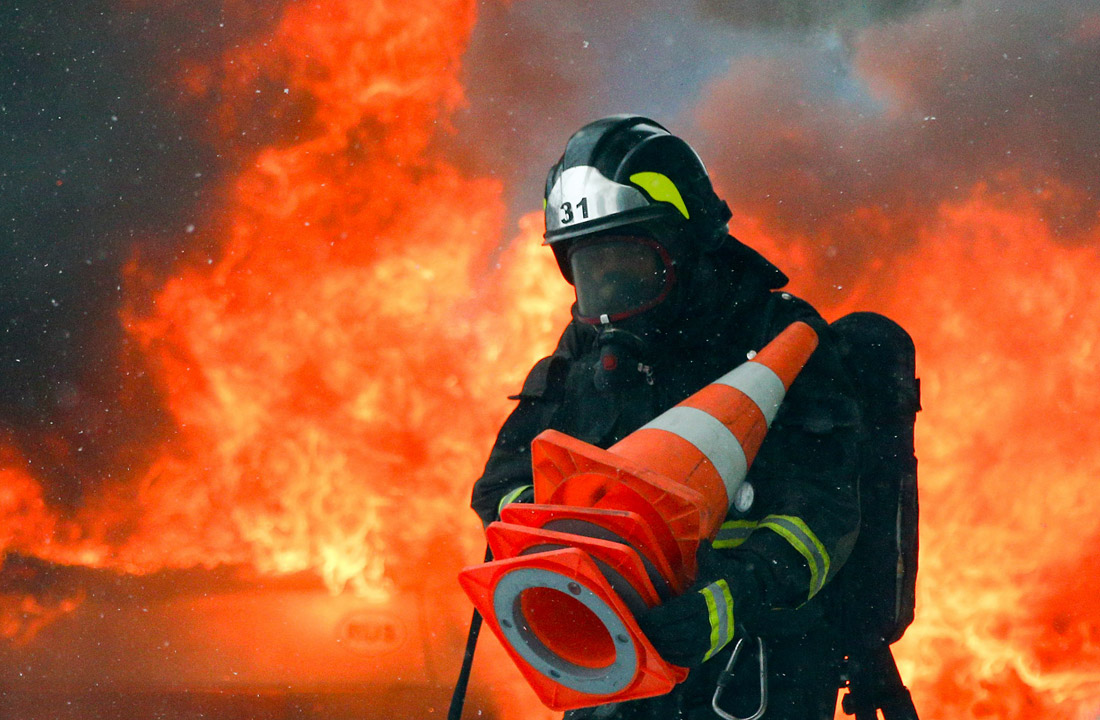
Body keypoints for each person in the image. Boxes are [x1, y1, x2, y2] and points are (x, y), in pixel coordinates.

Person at [470, 115, 862, 720]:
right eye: (589, 273)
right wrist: (554, 539)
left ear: (690, 245)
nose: (609, 300)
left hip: (756, 672)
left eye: (628, 266)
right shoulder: (580, 355)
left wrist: (730, 595)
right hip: (616, 671)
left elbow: (822, 515)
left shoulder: (780, 342)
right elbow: (501, 487)